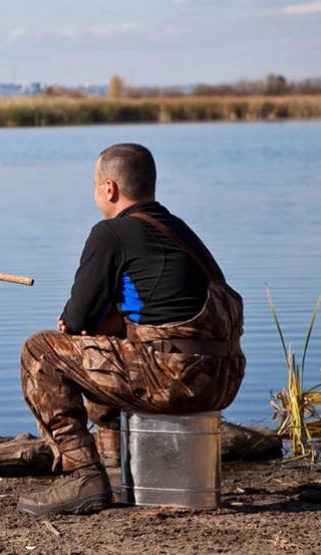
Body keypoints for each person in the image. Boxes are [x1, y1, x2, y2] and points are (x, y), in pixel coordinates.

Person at [16, 143, 245, 515]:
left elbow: (75, 319)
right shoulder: (179, 231)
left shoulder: (111, 233)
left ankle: (83, 474)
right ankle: (114, 470)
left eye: (94, 185)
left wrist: (82, 324)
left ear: (109, 188)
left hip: (175, 379)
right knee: (103, 343)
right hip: (222, 378)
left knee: (40, 350)